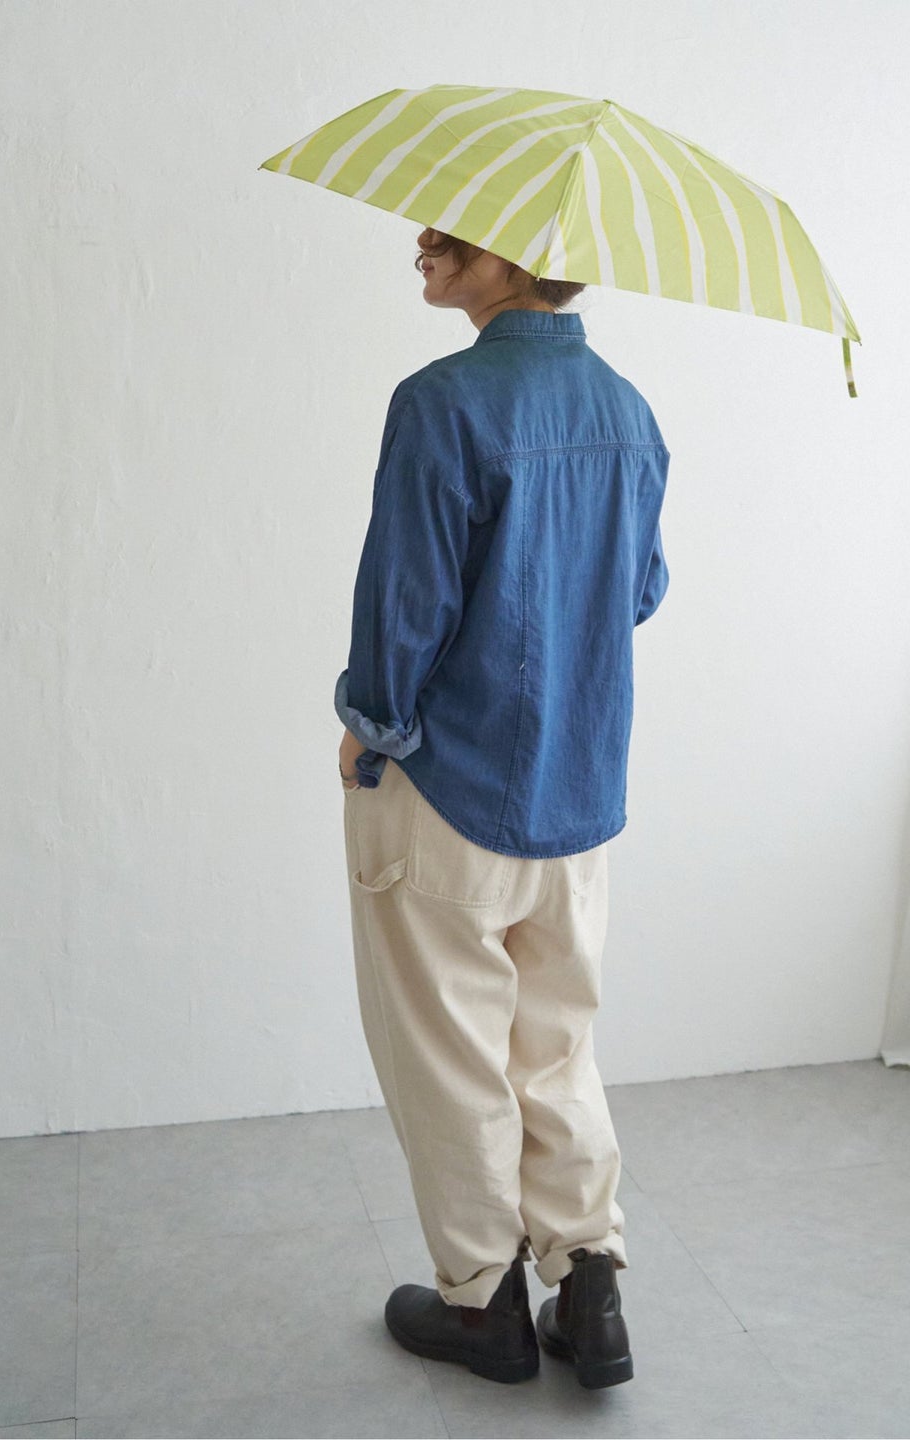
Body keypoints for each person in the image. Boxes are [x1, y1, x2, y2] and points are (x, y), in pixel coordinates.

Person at [335, 227, 669, 1390]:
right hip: (577, 792)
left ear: (518, 255)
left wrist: (373, 725)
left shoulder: (441, 403)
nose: (420, 246)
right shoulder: (628, 411)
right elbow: (641, 589)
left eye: (449, 232)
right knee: (556, 1044)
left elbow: (405, 605)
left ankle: (483, 1305)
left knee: (452, 1057)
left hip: (449, 785)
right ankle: (589, 1284)